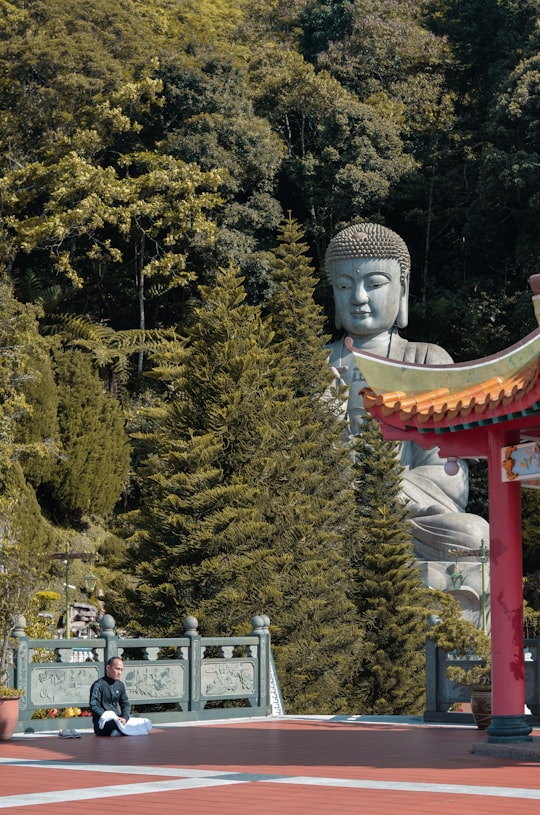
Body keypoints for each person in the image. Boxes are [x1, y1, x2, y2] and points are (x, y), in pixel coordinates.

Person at [326, 223, 489, 567]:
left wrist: (380, 487)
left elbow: (450, 478)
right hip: (333, 512)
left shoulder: (426, 359)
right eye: (344, 286)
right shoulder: (316, 364)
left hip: (410, 515)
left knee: (475, 536)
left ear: (402, 289)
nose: (358, 297)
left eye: (374, 284)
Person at [89, 656, 151, 736]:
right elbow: (94, 705)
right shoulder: (98, 685)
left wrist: (124, 718)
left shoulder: (120, 685)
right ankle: (119, 730)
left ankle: (120, 730)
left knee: (143, 722)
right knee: (112, 724)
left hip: (118, 719)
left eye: (121, 670)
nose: (119, 672)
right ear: (108, 668)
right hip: (103, 722)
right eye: (117, 669)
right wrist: (106, 715)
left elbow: (125, 703)